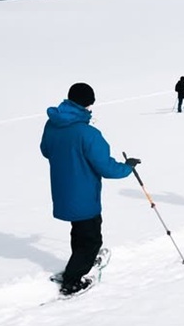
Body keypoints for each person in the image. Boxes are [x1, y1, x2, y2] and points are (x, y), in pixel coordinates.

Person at [40, 82, 139, 296]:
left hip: (63, 189)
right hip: (83, 193)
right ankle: (72, 281)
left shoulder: (53, 124)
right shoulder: (88, 133)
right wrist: (127, 167)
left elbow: (46, 150)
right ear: (87, 103)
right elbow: (106, 167)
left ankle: (77, 264)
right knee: (92, 238)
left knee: (79, 231)